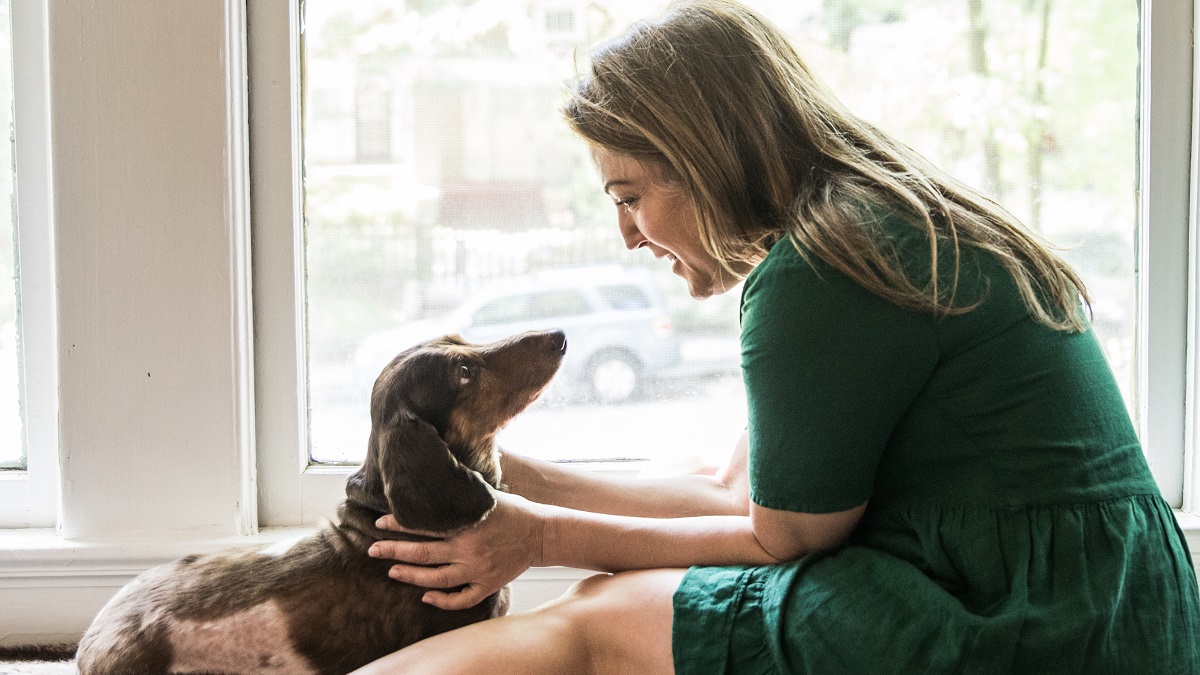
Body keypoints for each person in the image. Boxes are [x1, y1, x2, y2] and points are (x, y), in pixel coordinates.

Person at [354, 1, 1200, 672]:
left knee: (596, 624)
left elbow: (779, 538)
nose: (628, 236)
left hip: (1029, 618)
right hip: (1102, 597)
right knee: (613, 592)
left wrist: (537, 535)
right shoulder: (863, 222)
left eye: (629, 196)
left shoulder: (826, 270)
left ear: (702, 156)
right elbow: (740, 497)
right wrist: (515, 480)